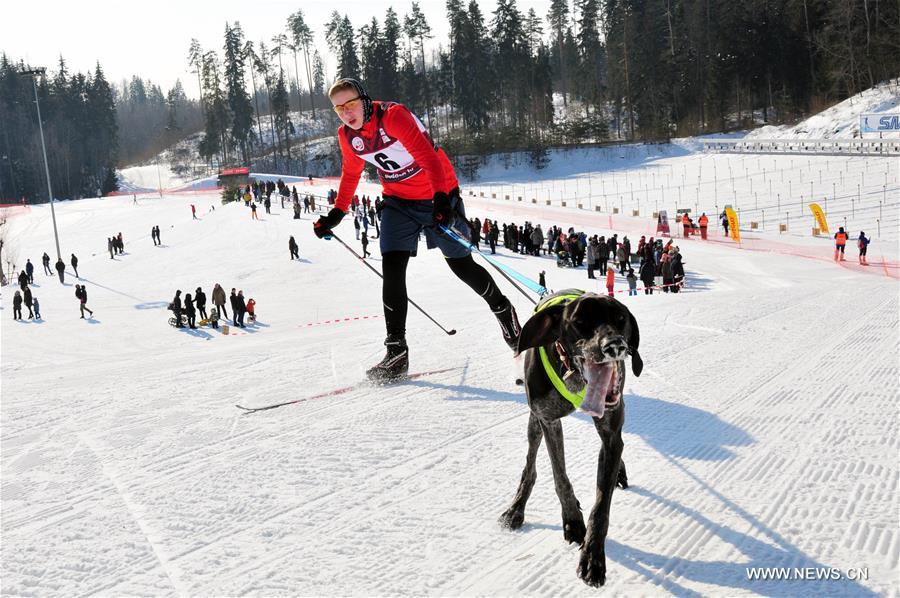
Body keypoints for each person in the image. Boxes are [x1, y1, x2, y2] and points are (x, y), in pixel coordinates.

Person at [313, 78, 521, 381]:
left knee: (462, 266)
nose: (346, 113)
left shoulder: (393, 117)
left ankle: (506, 315)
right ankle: (396, 351)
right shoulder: (347, 136)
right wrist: (337, 212)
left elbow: (427, 156)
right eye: (339, 108)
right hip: (398, 201)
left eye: (351, 104)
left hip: (437, 193)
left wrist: (440, 198)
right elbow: (351, 173)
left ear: (365, 100)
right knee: (392, 268)